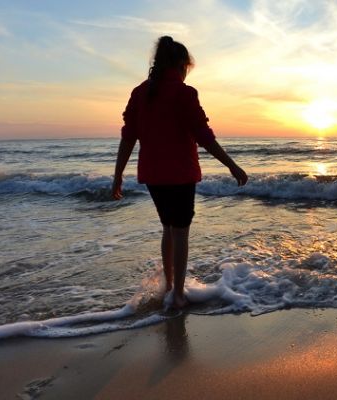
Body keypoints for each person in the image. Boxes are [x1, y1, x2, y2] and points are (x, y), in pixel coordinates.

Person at [111, 36, 248, 310]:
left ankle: (170, 285)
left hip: (153, 175)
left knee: (168, 227)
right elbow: (204, 136)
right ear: (181, 65)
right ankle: (177, 295)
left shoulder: (140, 93)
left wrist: (118, 175)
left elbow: (128, 137)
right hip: (181, 174)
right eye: (187, 67)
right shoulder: (184, 94)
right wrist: (232, 165)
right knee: (180, 232)